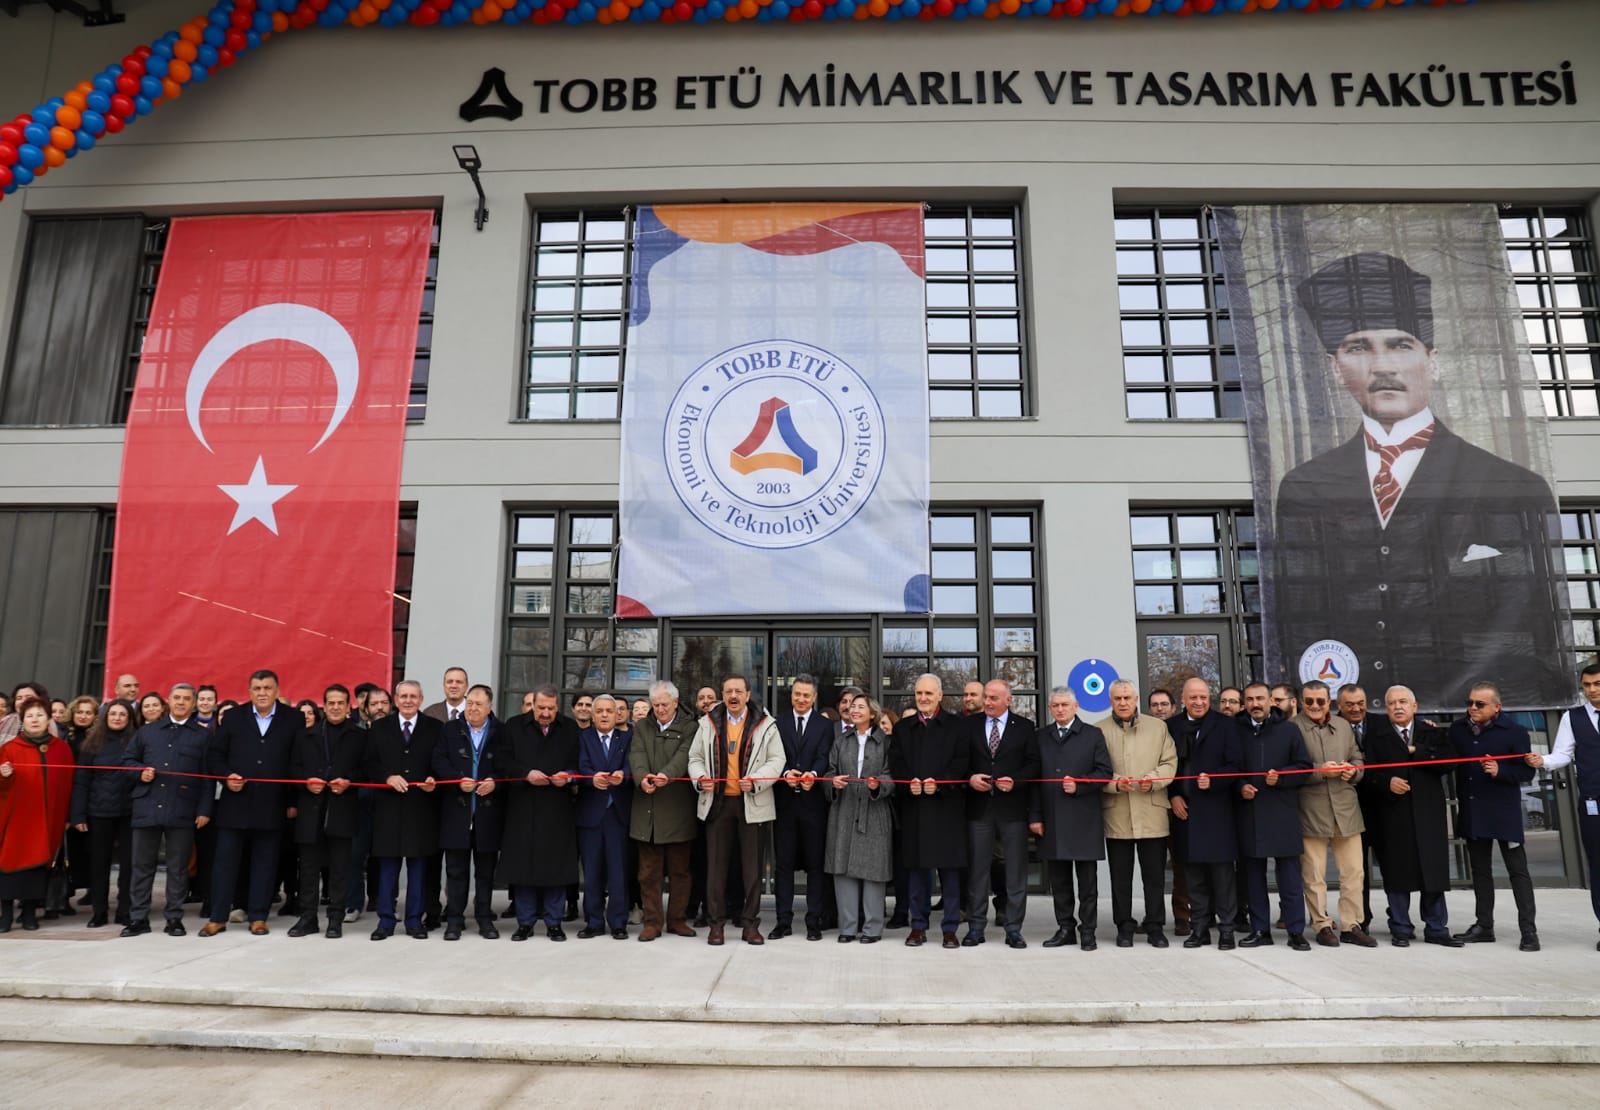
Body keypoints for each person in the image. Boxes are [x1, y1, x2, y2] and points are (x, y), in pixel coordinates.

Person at [1275, 251, 1566, 708]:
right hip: (1355, 719)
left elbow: (1532, 623)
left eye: (1400, 345)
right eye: (1358, 348)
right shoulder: (1305, 487)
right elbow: (1300, 617)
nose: (1382, 366)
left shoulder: (1510, 485)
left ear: (1432, 361)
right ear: (1335, 369)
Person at [689, 674, 784, 946]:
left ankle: (750, 925)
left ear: (747, 694)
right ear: (722, 694)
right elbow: (694, 758)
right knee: (716, 869)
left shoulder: (766, 725)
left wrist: (756, 781)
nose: (733, 696)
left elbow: (778, 760)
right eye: (728, 691)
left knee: (752, 870)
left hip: (752, 803)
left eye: (738, 691)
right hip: (718, 802)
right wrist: (700, 778)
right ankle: (715, 925)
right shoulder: (707, 723)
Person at [202, 670, 298, 936]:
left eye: (267, 687)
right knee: (225, 863)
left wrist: (292, 801)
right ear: (249, 691)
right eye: (257, 688)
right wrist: (226, 776)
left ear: (277, 690)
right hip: (236, 802)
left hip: (272, 804)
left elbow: (297, 762)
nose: (263, 692)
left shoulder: (294, 719)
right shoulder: (233, 717)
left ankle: (258, 916)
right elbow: (215, 756)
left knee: (265, 864)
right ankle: (218, 917)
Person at [1365, 685, 1461, 948]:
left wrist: (1416, 752)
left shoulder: (1432, 732)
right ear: (1386, 708)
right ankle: (1401, 928)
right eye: (1392, 703)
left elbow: (1449, 762)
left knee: (1432, 871)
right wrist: (1387, 782)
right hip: (1393, 815)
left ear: (1415, 706)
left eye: (1403, 702)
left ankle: (1436, 928)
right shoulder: (1376, 735)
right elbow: (1368, 774)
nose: (1398, 707)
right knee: (1397, 872)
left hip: (1428, 813)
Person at [1450, 681, 1539, 951]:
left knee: (1518, 872)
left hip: (1504, 814)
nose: (1472, 708)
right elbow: (1446, 756)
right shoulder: (1458, 730)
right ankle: (1484, 926)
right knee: (1480, 872)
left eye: (1479, 704)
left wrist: (1501, 771)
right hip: (1474, 812)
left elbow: (1526, 773)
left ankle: (1529, 931)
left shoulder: (1515, 732)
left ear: (1497, 707)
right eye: (1469, 703)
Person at [121, 684, 211, 937]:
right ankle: (138, 918)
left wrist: (204, 810)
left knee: (178, 868)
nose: (181, 702)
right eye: (176, 698)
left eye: (186, 699)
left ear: (193, 704)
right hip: (147, 805)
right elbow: (127, 762)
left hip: (182, 808)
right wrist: (140, 772)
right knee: (142, 866)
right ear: (168, 702)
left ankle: (174, 918)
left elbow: (207, 776)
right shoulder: (148, 732)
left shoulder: (202, 736)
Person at [1030, 687, 1113, 951]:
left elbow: (1105, 773)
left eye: (1065, 704)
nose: (1060, 709)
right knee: (1060, 881)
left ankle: (1087, 931)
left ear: (1076, 706)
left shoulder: (1092, 735)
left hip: (1084, 819)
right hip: (1052, 819)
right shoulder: (1040, 737)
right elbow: (1033, 781)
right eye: (1055, 705)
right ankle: (1065, 928)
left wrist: (1080, 785)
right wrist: (1035, 817)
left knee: (1087, 883)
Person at [1233, 683, 1314, 950]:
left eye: (1260, 698)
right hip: (1249, 812)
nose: (1255, 703)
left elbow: (1304, 767)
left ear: (1271, 701)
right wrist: (1240, 785)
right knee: (1254, 877)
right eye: (1250, 699)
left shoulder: (1289, 730)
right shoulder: (1234, 730)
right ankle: (1260, 930)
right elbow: (1228, 768)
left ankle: (1295, 931)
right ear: (1244, 703)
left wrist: (1281, 778)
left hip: (1282, 811)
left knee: (1289, 877)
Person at [496, 685, 579, 941]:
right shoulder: (513, 726)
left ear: (558, 707)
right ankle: (525, 923)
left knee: (556, 869)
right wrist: (525, 773)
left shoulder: (570, 729)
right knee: (524, 869)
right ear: (532, 704)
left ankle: (554, 922)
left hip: (557, 808)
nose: (545, 713)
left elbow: (579, 762)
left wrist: (568, 776)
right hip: (523, 807)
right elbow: (502, 761)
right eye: (540, 708)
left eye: (550, 709)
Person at [1098, 680, 1177, 948]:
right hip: (1117, 814)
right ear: (1111, 700)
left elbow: (1170, 762)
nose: (1123, 703)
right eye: (1118, 698)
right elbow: (1095, 769)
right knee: (1120, 878)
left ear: (1136, 699)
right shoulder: (1099, 730)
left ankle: (1155, 926)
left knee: (1154, 877)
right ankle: (1124, 926)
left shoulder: (1158, 727)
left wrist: (1153, 779)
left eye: (1127, 697)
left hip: (1151, 812)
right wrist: (1115, 782)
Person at [892, 674, 969, 949]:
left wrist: (940, 784)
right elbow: (896, 763)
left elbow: (963, 762)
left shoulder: (957, 727)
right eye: (918, 693)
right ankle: (918, 927)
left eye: (928, 693)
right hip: (915, 809)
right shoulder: (903, 728)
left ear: (939, 696)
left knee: (949, 874)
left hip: (947, 810)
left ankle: (950, 928)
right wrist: (907, 783)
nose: (922, 698)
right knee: (916, 873)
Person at [962, 678, 1038, 949]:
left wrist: (1015, 781)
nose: (988, 702)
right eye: (986, 698)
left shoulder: (1025, 727)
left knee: (1015, 872)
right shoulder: (969, 725)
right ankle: (975, 927)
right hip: (979, 809)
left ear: (1009, 700)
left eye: (994, 698)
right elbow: (959, 761)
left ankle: (1014, 929)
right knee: (977, 872)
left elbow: (1033, 765)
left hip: (1012, 809)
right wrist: (969, 778)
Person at [1295, 679, 1371, 948]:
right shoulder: (1292, 729)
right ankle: (1322, 925)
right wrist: (1319, 771)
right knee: (1314, 875)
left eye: (1320, 701)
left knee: (1353, 873)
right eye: (1309, 701)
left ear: (1330, 702)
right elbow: (1289, 769)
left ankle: (1352, 925)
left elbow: (1358, 758)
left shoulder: (1342, 726)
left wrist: (1354, 771)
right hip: (1311, 811)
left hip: (1346, 809)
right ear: (1301, 702)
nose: (1315, 706)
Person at [1530, 661, 1600, 949]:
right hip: (1594, 803)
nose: (1592, 690)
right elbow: (1562, 754)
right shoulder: (1573, 718)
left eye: (1597, 684)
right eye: (1587, 685)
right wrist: (1542, 761)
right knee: (1598, 865)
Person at [287, 684, 366, 938]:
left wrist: (349, 781)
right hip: (311, 809)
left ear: (348, 707)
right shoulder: (305, 735)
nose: (335, 707)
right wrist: (307, 781)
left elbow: (367, 770)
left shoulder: (359, 736)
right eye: (330, 703)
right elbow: (292, 769)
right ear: (324, 705)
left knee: (340, 869)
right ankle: (307, 918)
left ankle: (335, 919)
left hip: (342, 809)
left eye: (340, 703)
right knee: (308, 868)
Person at [1168, 678, 1241, 950]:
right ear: (1184, 699)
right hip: (1185, 813)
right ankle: (1198, 929)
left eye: (1204, 697)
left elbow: (1236, 765)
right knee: (1193, 876)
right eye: (1193, 697)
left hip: (1217, 813)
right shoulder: (1172, 726)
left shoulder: (1225, 725)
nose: (1199, 702)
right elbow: (1167, 765)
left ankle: (1226, 930)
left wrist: (1216, 780)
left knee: (1223, 876)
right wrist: (1173, 794)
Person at [365, 680, 440, 940]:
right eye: (403, 696)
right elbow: (369, 762)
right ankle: (385, 921)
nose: (408, 701)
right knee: (388, 870)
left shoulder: (435, 728)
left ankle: (414, 921)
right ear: (395, 700)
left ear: (421, 700)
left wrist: (433, 779)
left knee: (419, 870)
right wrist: (386, 777)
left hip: (421, 809)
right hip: (389, 809)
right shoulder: (379, 728)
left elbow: (440, 762)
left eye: (413, 696)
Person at [431, 683, 502, 941]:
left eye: (478, 704)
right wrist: (456, 779)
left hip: (487, 813)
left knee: (485, 872)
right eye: (469, 703)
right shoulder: (450, 730)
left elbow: (507, 764)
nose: (472, 708)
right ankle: (455, 920)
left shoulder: (500, 732)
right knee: (456, 871)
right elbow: (439, 760)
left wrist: (494, 779)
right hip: (456, 811)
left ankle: (484, 918)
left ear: (489, 707)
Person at [628, 680, 698, 941]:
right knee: (648, 874)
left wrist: (665, 776)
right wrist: (643, 777)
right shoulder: (641, 727)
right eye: (655, 705)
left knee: (680, 872)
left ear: (675, 703)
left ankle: (677, 920)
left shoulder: (690, 727)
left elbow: (684, 756)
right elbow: (636, 755)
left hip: (678, 811)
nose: (659, 709)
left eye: (664, 704)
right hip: (647, 812)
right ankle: (652, 922)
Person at [824, 692, 896, 944]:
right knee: (843, 870)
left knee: (873, 871)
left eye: (860, 707)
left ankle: (873, 929)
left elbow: (892, 776)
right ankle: (847, 927)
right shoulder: (841, 741)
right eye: (852, 706)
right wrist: (832, 782)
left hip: (874, 812)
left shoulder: (885, 742)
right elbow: (829, 771)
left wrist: (879, 786)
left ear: (872, 713)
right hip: (844, 810)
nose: (854, 710)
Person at [0, 699, 76, 932]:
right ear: (22, 721)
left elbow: (68, 785)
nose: (35, 719)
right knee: (8, 864)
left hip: (47, 817)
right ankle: (6, 915)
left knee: (37, 867)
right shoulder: (10, 748)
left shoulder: (61, 749)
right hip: (16, 818)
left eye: (40, 715)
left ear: (49, 719)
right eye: (30, 716)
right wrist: (4, 776)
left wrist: (67, 816)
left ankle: (30, 913)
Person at [771, 673, 835, 941]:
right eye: (797, 694)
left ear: (814, 697)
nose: (801, 699)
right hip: (784, 805)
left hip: (813, 805)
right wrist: (786, 772)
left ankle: (813, 922)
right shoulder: (778, 723)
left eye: (806, 695)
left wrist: (813, 774)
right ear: (792, 694)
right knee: (783, 866)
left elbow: (824, 756)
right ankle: (783, 921)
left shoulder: (825, 725)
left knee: (815, 866)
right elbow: (773, 756)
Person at [70, 698, 137, 928]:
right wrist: (77, 815)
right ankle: (99, 911)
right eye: (113, 714)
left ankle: (125, 910)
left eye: (122, 714)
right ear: (105, 717)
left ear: (129, 719)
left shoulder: (137, 742)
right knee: (99, 864)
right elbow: (81, 782)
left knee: (129, 865)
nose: (117, 718)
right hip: (98, 812)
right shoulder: (91, 744)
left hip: (129, 812)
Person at [575, 693, 632, 939]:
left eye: (610, 711)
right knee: (592, 872)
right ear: (593, 714)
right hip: (591, 814)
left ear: (617, 714)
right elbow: (579, 766)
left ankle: (618, 922)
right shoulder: (582, 738)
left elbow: (634, 765)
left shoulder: (627, 738)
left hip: (617, 814)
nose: (605, 715)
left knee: (618, 871)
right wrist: (591, 778)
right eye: (600, 711)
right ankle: (594, 922)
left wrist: (624, 774)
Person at [1337, 683, 1383, 933]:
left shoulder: (1381, 724)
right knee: (1357, 870)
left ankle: (1399, 919)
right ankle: (1360, 919)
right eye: (1350, 705)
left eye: (1360, 703)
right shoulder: (1333, 726)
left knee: (1390, 864)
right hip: (1348, 807)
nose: (1356, 709)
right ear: (1339, 706)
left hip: (1382, 804)